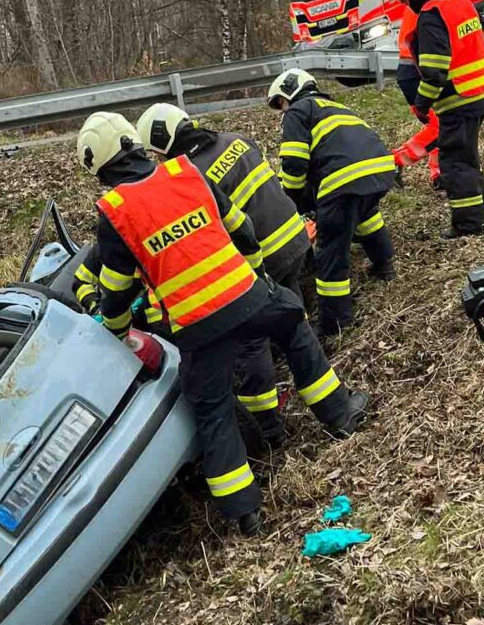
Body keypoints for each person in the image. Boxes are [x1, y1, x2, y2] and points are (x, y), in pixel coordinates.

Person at [76, 111, 368, 537]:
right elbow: (242, 228)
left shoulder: (115, 211)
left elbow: (115, 292)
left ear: (99, 166)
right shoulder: (186, 172)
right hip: (247, 298)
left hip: (197, 329)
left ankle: (244, 513)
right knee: (293, 327)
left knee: (213, 411)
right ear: (133, 144)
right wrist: (256, 277)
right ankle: (340, 415)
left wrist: (119, 333)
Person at [135, 104, 311, 445]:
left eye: (157, 154)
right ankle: (302, 358)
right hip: (295, 236)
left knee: (252, 341)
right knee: (291, 312)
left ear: (164, 142)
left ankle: (268, 429)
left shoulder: (191, 177)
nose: (158, 162)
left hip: (263, 254)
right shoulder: (236, 139)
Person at [266, 70, 396, 341]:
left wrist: (289, 200)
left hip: (343, 180)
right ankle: (384, 265)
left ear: (290, 91)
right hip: (381, 170)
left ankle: (336, 322)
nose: (281, 110)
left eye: (280, 103)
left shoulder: (298, 111)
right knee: (366, 215)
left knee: (331, 249)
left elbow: (293, 164)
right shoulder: (336, 106)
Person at [388, 0, 484, 239]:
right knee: (467, 154)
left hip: (458, 97)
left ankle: (468, 225)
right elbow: (482, 34)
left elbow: (435, 72)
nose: (406, 4)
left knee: (454, 163)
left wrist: (422, 104)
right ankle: (482, 201)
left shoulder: (430, 14)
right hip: (482, 90)